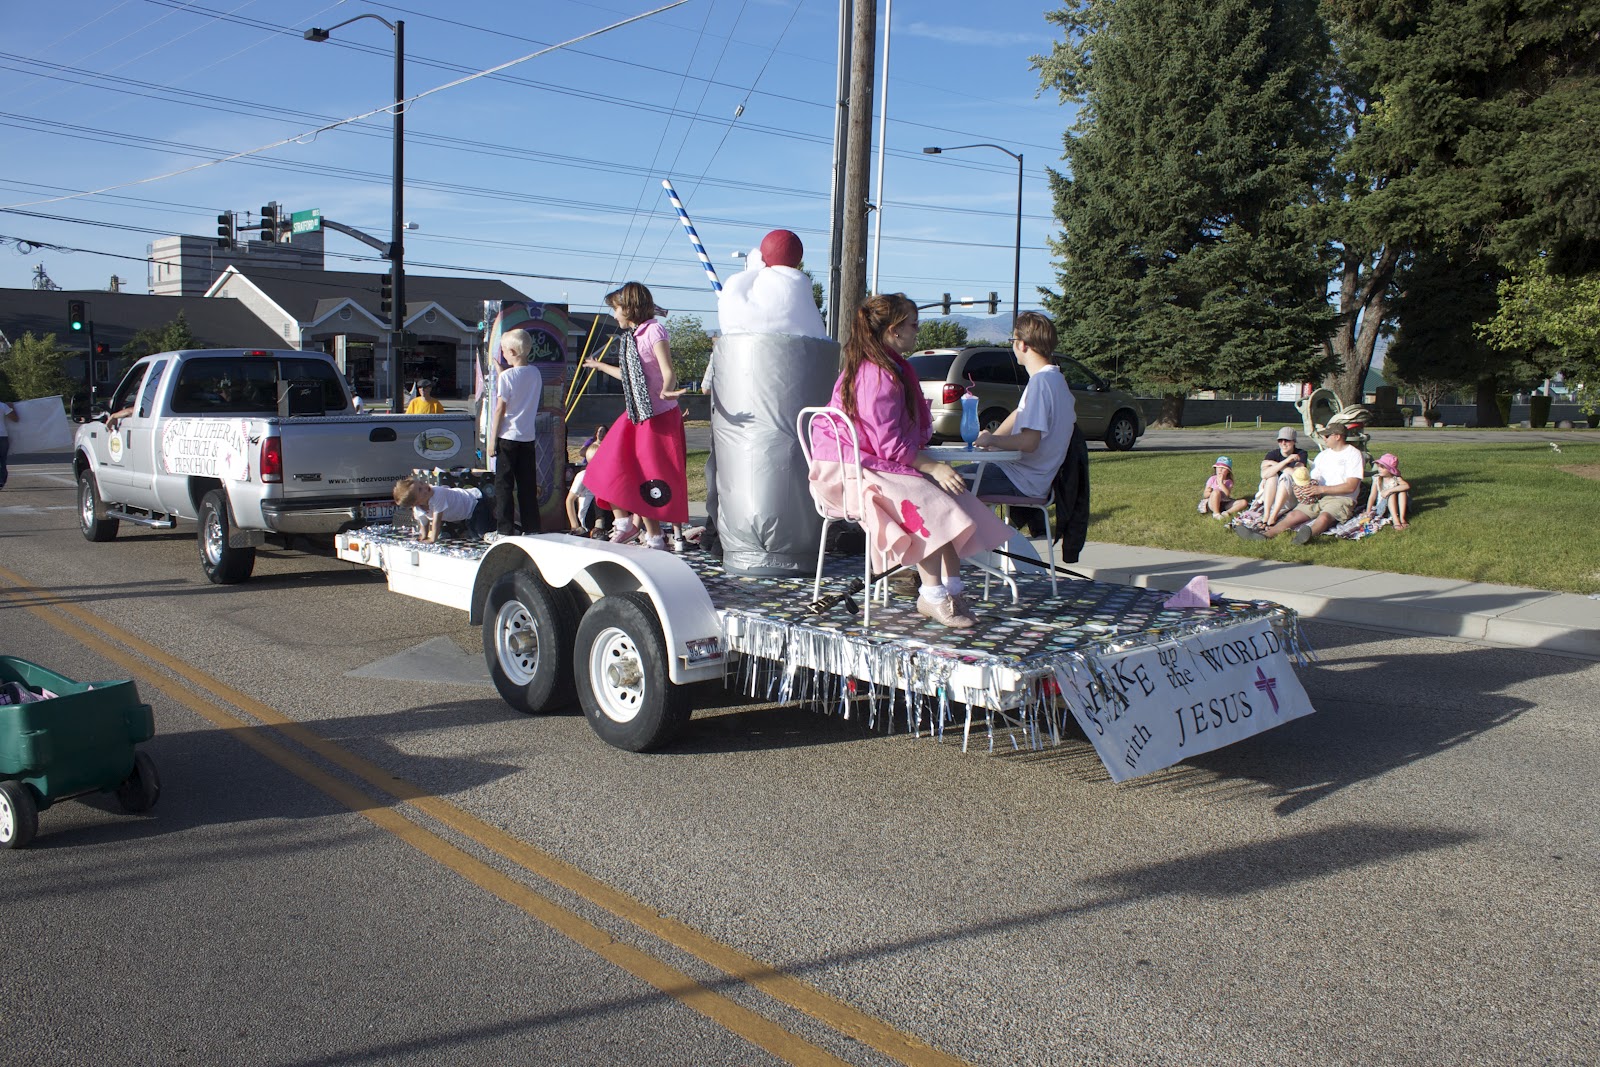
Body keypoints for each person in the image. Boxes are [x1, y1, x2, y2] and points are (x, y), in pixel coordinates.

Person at [807, 293, 1014, 629]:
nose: (918, 332)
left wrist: (930, 468)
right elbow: (889, 443)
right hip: (844, 472)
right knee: (926, 498)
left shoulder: (883, 366)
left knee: (950, 493)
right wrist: (931, 465)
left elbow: (887, 443)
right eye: (913, 325)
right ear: (894, 330)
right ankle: (931, 594)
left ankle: (952, 587)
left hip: (864, 461)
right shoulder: (878, 375)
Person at [580, 281, 689, 551]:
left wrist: (667, 388)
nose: (614, 315)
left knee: (650, 478)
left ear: (629, 308)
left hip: (658, 417)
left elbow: (668, 369)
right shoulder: (631, 337)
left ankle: (654, 537)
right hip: (637, 413)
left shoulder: (653, 330)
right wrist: (600, 365)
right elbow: (628, 377)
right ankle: (625, 522)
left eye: (616, 309)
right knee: (605, 463)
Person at [969, 312, 1076, 500]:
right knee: (949, 479)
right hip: (1033, 479)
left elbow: (1029, 442)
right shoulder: (1057, 381)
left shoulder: (1041, 382)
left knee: (938, 483)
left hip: (1019, 480)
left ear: (1022, 344)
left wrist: (992, 441)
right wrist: (990, 438)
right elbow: (1020, 413)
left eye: (1013, 340)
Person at [1236, 423, 1364, 544]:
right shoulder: (1323, 456)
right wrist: (1302, 489)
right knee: (1293, 515)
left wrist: (1320, 490)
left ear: (1337, 436)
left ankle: (1306, 537)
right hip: (1318, 495)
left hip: (1341, 498)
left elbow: (1351, 486)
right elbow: (1312, 480)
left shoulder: (1353, 455)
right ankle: (1264, 535)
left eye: (1326, 435)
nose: (1323, 438)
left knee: (1324, 517)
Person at [485, 328, 542, 537]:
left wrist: (492, 440)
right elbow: (519, 383)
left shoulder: (507, 377)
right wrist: (502, 373)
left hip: (507, 437)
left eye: (504, 351)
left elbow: (501, 408)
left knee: (504, 486)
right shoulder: (535, 373)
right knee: (527, 485)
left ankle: (504, 530)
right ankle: (533, 528)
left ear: (512, 351)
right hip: (527, 437)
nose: (503, 354)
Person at [393, 474, 493, 543]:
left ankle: (497, 527)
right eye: (420, 490)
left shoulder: (437, 494)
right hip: (468, 514)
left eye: (421, 483)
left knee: (482, 532)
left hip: (475, 501)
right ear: (416, 503)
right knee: (475, 536)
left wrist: (433, 539)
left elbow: (437, 520)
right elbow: (424, 523)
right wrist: (423, 536)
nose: (425, 487)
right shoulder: (418, 510)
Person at [1258, 427, 1309, 525]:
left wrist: (1273, 464)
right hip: (1271, 493)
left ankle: (1274, 516)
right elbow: (1264, 474)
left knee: (1285, 476)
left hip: (1289, 494)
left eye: (1287, 440)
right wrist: (1286, 461)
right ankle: (1267, 514)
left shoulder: (1301, 454)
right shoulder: (1272, 454)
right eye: (1280, 440)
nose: (1283, 443)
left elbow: (1296, 475)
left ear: (1294, 441)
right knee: (1271, 477)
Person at [1366, 452, 1412, 528]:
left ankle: (1402, 518)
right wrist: (1368, 511)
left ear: (1390, 470)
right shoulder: (1377, 479)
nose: (1379, 469)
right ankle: (1396, 521)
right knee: (1392, 494)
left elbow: (1406, 486)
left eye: (1382, 467)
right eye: (1379, 466)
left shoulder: (1396, 478)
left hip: (1396, 507)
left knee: (1402, 491)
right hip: (1382, 508)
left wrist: (1389, 490)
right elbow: (1372, 496)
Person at [0, 399, 16, 491]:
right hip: (2, 436)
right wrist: (12, 408)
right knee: (2, 460)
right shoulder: (2, 406)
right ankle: (1, 481)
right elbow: (15, 419)